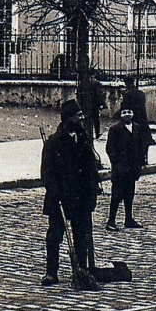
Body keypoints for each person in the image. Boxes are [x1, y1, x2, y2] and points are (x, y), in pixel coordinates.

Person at [40, 99, 102, 286]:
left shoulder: (83, 139)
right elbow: (46, 172)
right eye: (78, 115)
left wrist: (93, 190)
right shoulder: (53, 142)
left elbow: (91, 168)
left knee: (81, 234)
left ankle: (81, 269)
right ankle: (51, 272)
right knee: (55, 235)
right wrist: (55, 190)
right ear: (68, 119)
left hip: (80, 196)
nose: (82, 118)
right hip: (60, 197)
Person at [106, 106, 144, 230]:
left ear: (133, 114)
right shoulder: (115, 129)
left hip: (132, 169)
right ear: (121, 115)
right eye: (124, 113)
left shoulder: (137, 128)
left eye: (129, 112)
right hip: (120, 169)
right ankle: (111, 221)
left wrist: (139, 163)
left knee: (129, 195)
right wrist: (116, 162)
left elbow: (140, 147)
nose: (127, 115)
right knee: (116, 195)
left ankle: (129, 219)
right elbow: (110, 148)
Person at [121, 77, 155, 166]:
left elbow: (125, 108)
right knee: (144, 140)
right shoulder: (141, 93)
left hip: (132, 119)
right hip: (142, 119)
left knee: (132, 140)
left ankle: (134, 159)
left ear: (127, 83)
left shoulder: (127, 94)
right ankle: (144, 158)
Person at [78, 70, 106, 140]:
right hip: (94, 104)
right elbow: (98, 94)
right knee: (96, 119)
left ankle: (87, 134)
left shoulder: (83, 82)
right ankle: (97, 134)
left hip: (85, 104)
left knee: (86, 119)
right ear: (94, 74)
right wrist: (102, 104)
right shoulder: (96, 83)